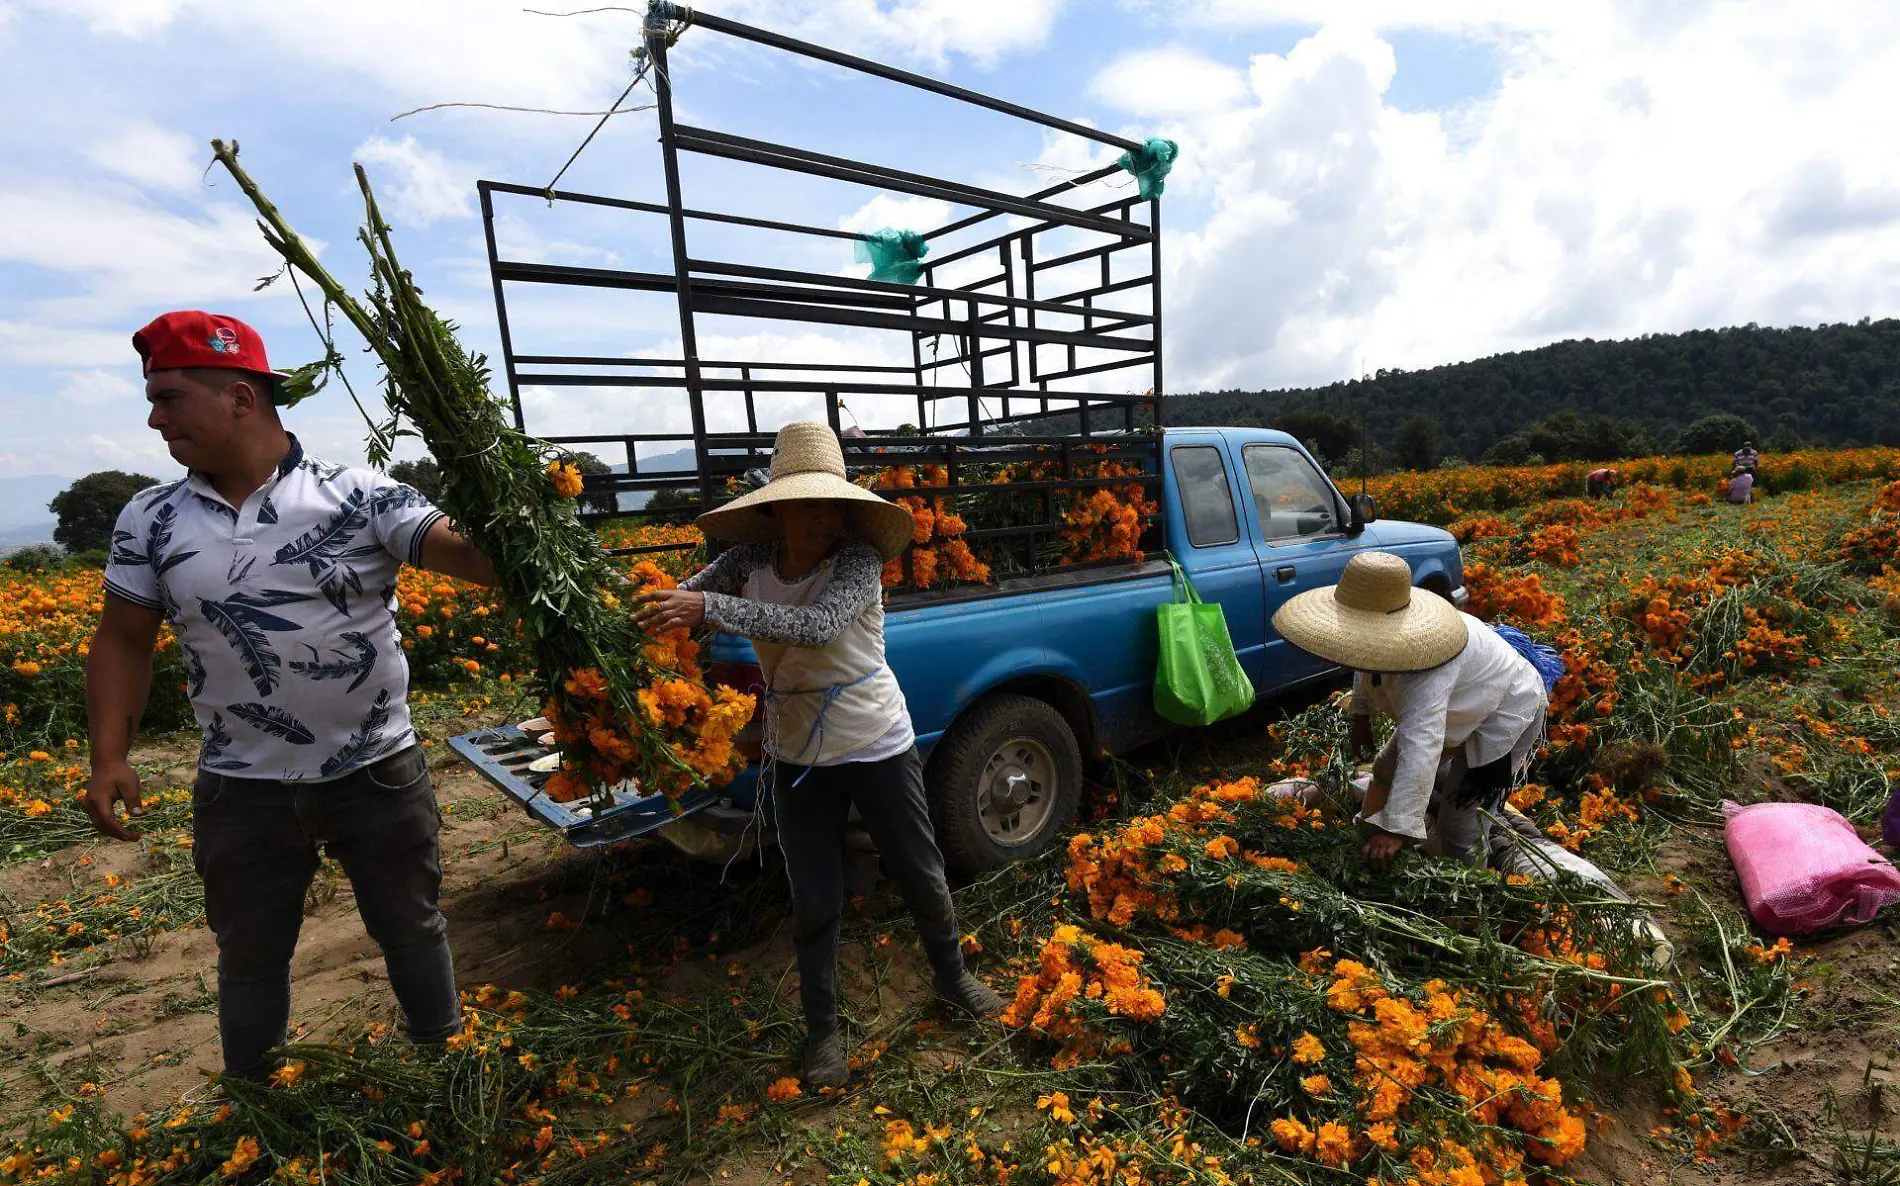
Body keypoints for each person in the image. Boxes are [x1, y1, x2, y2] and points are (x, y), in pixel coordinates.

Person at [84, 311, 497, 1084]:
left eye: (169, 397)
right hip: (241, 785)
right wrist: (109, 755)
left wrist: (499, 489)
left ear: (239, 397)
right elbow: (123, 640)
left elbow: (475, 559)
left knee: (410, 928)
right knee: (248, 955)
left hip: (375, 769)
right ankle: (256, 1103)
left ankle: (445, 1074)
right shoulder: (151, 518)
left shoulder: (360, 495)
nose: (153, 417)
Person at [633, 421, 1001, 1086]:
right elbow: (690, 597)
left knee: (919, 872)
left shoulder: (859, 560)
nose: (822, 518)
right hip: (798, 753)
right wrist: (642, 614)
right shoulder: (749, 561)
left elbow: (817, 626)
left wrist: (708, 606)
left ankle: (955, 979)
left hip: (874, 743)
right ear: (777, 506)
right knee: (814, 896)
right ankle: (823, 1034)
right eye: (807, 503)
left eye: (832, 503)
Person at [1271, 552, 1547, 871]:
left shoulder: (1426, 662)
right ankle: (1366, 835)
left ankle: (1470, 892)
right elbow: (1365, 662)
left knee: (1460, 821)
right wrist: (1360, 717)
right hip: (1463, 700)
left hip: (1505, 711)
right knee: (1386, 769)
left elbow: (1423, 744)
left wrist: (1398, 829)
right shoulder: (1376, 639)